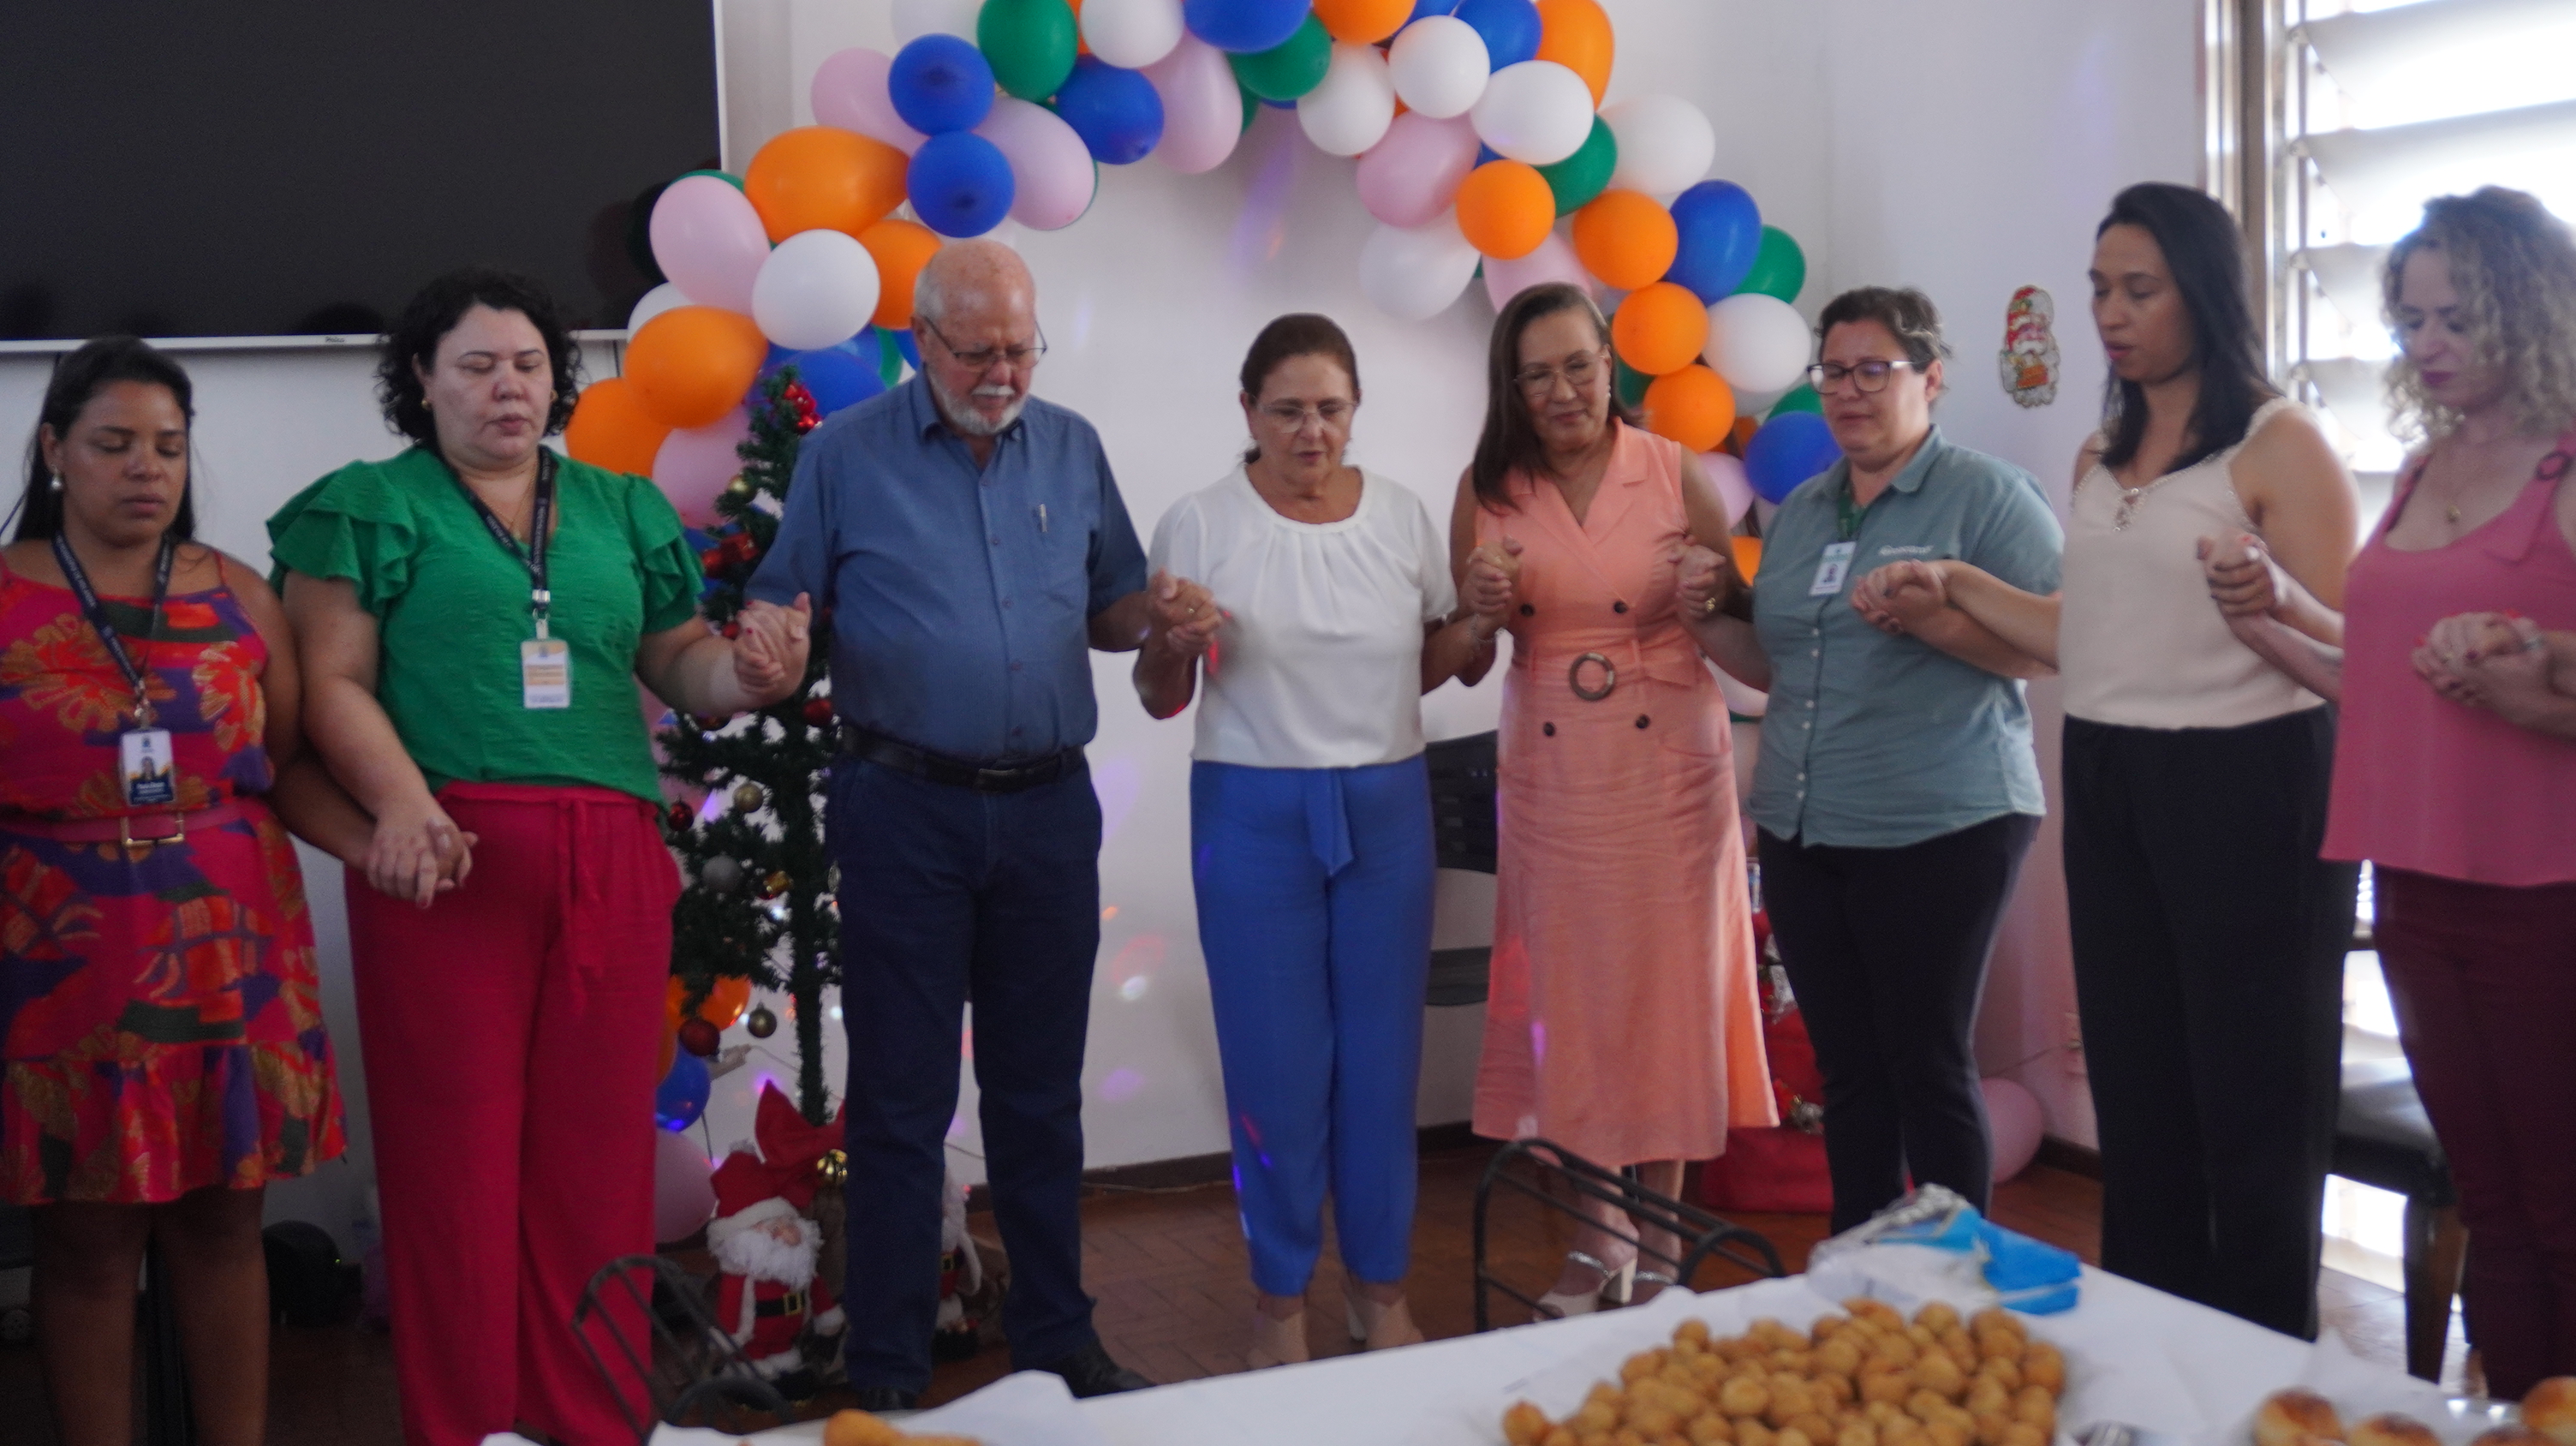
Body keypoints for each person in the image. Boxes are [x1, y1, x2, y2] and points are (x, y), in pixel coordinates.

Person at [270, 267, 809, 1446]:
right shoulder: (371, 504)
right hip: (447, 860)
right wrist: (402, 807)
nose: (507, 387)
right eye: (475, 365)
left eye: (527, 365)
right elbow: (331, 686)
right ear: (421, 380)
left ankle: (590, 1420)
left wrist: (747, 673)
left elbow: (679, 664)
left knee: (596, 1163)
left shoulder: (620, 506)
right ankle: (468, 1427)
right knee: (453, 1170)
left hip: (614, 860)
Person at [1870, 183, 2361, 1337]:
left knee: (2253, 1094)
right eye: (2099, 289)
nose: (2110, 313)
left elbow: (2358, 646)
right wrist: (1958, 586)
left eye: (2140, 289)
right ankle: (2155, 1349)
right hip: (2110, 774)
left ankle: (2262, 1360)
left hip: (2249, 779)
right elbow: (2075, 636)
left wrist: (2272, 594)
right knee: (2138, 1091)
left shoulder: (2280, 443)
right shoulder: (2102, 452)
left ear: (2206, 293)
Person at [748, 239, 1176, 1408]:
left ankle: (1057, 1343)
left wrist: (1162, 614)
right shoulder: (843, 455)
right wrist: (772, 637)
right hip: (903, 811)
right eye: (978, 351)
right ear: (923, 340)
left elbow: (1112, 605)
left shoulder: (1073, 446)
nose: (1003, 373)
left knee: (1040, 1099)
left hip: (1048, 812)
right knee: (901, 1103)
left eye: (1021, 350)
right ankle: (887, 1374)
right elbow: (781, 595)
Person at [2220, 187, 2576, 1393]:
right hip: (2418, 888)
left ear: (2531, 311)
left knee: (2561, 1209)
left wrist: (2538, 679)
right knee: (2493, 1199)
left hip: (2546, 893)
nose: (2428, 344)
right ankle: (2519, 1413)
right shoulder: (2422, 468)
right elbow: (2383, 689)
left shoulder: (2565, 466)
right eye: (2411, 320)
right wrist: (2262, 625)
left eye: (2457, 319)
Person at [3, 338, 371, 1446]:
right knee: (87, 1243)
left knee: (224, 1228)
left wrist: (381, 845)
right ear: (55, 449)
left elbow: (285, 761)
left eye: (167, 446)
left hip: (232, 948)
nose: (145, 468)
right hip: (60, 955)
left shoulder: (240, 592)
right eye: (114, 443)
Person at [1134, 314, 1508, 1365]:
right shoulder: (1197, 522)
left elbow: (1430, 663)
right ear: (1246, 410)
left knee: (1382, 1066)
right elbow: (1159, 693)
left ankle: (1379, 1290)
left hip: (1385, 807)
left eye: (1330, 409)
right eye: (1287, 409)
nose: (1311, 431)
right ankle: (1278, 1304)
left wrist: (1480, 622)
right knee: (1275, 1072)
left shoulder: (1398, 515)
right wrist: (1173, 641)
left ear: (1355, 410)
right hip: (1249, 813)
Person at [1678, 287, 2061, 1238]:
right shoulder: (1805, 510)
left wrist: (1938, 621)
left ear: (1930, 378)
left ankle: (1954, 1283)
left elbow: (2051, 646)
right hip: (1806, 824)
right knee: (1846, 1070)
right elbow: (1783, 666)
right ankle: (1856, 1273)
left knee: (1925, 1062)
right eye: (1832, 372)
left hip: (1942, 819)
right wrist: (1705, 621)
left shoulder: (1986, 495)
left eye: (1872, 371)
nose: (1847, 392)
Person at [1450, 282, 1774, 1316]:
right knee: (1574, 1002)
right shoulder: (1487, 488)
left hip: (1668, 766)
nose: (1562, 391)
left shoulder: (1674, 470)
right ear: (1510, 387)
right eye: (1535, 375)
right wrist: (1477, 612)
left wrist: (1712, 592)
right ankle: (1601, 1236)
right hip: (1553, 770)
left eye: (1577, 366)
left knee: (1665, 997)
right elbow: (1463, 656)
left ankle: (1663, 1237)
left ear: (1609, 364)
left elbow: (1743, 629)